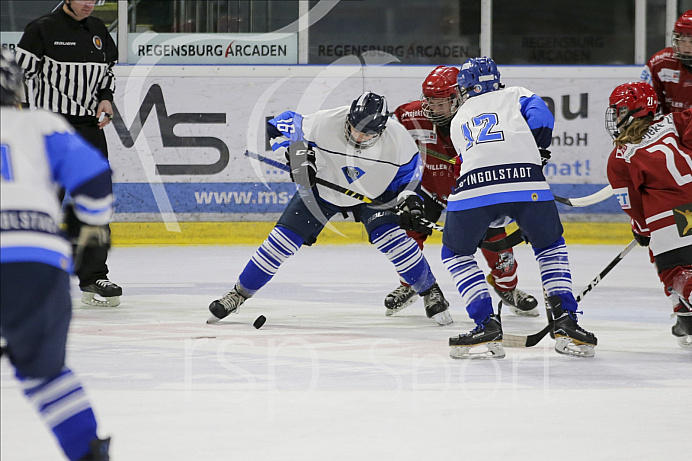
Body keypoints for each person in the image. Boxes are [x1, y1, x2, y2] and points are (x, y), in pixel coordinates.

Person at [207, 91, 453, 326]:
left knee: (394, 240)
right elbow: (276, 127)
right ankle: (238, 294)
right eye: (355, 129)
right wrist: (297, 156)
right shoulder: (324, 122)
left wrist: (410, 202)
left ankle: (430, 291)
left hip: (372, 195)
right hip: (323, 192)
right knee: (278, 244)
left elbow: (408, 180)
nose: (359, 137)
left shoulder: (398, 140)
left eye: (367, 134)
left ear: (382, 128)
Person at [443, 57, 597, 359]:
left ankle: (486, 323)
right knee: (550, 246)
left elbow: (465, 163)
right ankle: (565, 320)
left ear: (466, 89)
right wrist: (537, 152)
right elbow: (542, 120)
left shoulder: (458, 119)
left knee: (456, 253)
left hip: (476, 187)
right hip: (527, 183)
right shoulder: (518, 94)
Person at [0, 49, 111, 460]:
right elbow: (96, 178)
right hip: (37, 259)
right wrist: (92, 227)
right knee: (45, 375)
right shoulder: (40, 122)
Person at [385, 65, 539, 318]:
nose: (433, 108)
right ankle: (411, 283)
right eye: (430, 102)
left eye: (441, 103)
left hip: (473, 192)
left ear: (459, 98)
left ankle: (507, 287)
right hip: (430, 188)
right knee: (408, 233)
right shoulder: (412, 115)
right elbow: (385, 132)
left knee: (499, 248)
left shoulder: (481, 116)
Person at [15, 0, 121, 307]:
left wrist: (105, 98)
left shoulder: (99, 29)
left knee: (96, 203)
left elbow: (107, 74)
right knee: (43, 204)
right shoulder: (41, 30)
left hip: (89, 130)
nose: (90, 3)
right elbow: (17, 74)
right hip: (50, 130)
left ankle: (93, 276)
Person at [605, 81, 692, 349]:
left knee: (676, 274)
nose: (616, 117)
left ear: (635, 111)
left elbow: (635, 208)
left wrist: (641, 229)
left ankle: (684, 305)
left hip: (670, 220)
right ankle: (685, 318)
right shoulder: (676, 121)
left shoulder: (620, 156)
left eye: (619, 111)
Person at [640, 10, 692, 114]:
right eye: (682, 40)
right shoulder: (659, 63)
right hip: (669, 128)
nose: (686, 46)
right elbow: (646, 105)